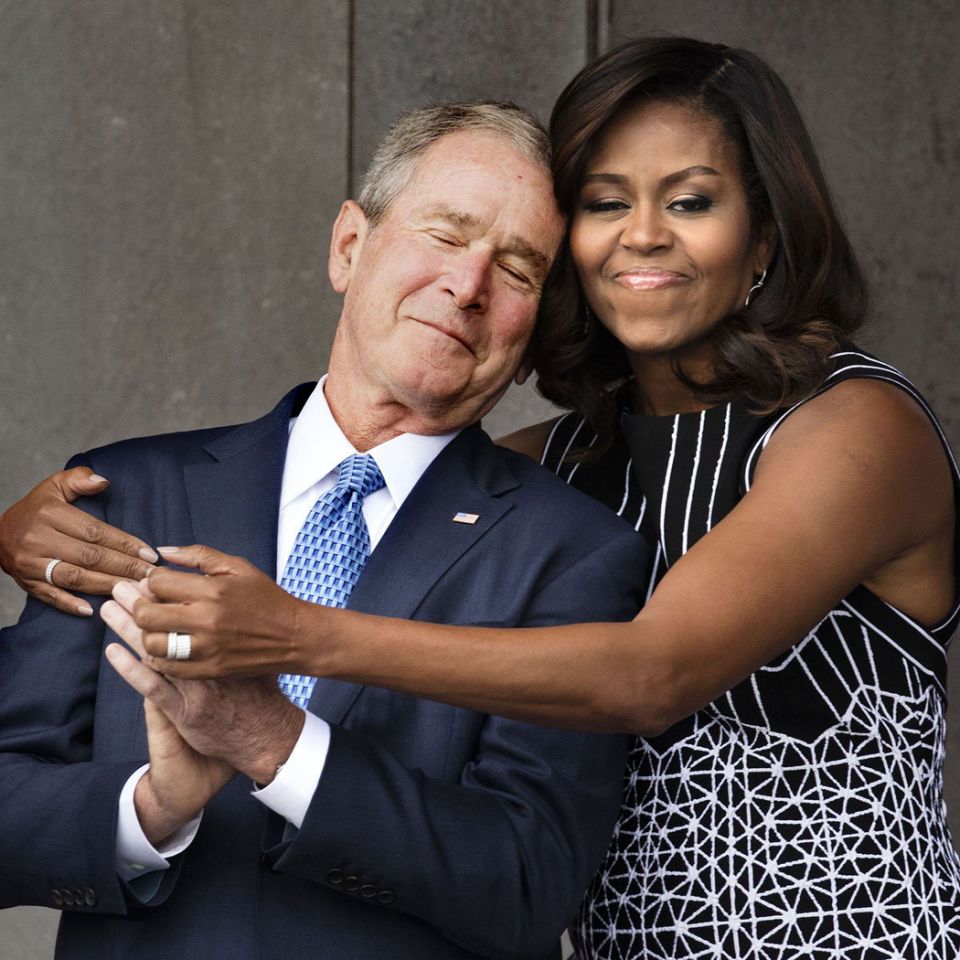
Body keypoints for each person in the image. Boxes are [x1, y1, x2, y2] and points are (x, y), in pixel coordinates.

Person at [4, 35, 960, 958]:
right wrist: (20, 534)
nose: (643, 233)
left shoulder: (852, 428)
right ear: (350, 246)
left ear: (764, 238)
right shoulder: (564, 462)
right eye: (605, 201)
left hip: (843, 934)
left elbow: (648, 679)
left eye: (693, 200)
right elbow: (409, 478)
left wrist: (291, 647)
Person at [0, 101, 650, 960]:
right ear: (349, 246)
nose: (468, 285)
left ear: (532, 340)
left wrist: (278, 743)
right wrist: (151, 809)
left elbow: (528, 884)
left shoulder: (575, 554)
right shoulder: (121, 496)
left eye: (519, 270)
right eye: (446, 234)